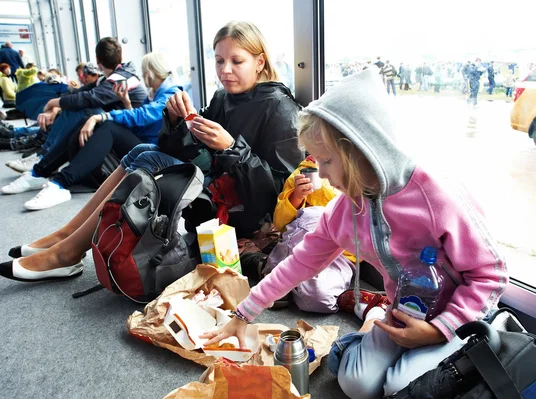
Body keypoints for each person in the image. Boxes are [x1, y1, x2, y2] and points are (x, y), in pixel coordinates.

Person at [201, 69, 508, 399]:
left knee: (401, 388)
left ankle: (494, 330)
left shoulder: (437, 196)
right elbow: (299, 263)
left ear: (361, 150)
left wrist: (439, 330)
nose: (320, 173)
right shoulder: (344, 210)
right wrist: (243, 313)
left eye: (327, 161)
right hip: (405, 310)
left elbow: (490, 274)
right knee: (356, 385)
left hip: (459, 317)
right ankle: (374, 321)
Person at [0, 21, 303, 282]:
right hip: (221, 188)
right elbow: (190, 151)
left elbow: (279, 193)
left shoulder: (279, 107)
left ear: (260, 62)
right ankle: (66, 237)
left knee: (149, 156)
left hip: (248, 210)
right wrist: (175, 122)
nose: (225, 70)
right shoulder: (224, 97)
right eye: (219, 60)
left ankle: (67, 251)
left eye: (237, 61)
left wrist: (231, 148)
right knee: (145, 150)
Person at [1, 53, 181, 211]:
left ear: (150, 72)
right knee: (87, 121)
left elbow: (143, 116)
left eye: (144, 72)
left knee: (107, 125)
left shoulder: (171, 93)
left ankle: (60, 183)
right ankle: (38, 172)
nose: (142, 76)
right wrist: (125, 102)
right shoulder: (159, 92)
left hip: (154, 153)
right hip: (143, 144)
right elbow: (144, 122)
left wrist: (101, 117)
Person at [258, 155, 354, 312]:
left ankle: (273, 273)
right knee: (315, 215)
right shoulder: (305, 171)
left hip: (340, 256)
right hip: (301, 243)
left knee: (319, 299)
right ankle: (281, 279)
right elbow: (281, 224)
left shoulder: (364, 175)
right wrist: (297, 196)